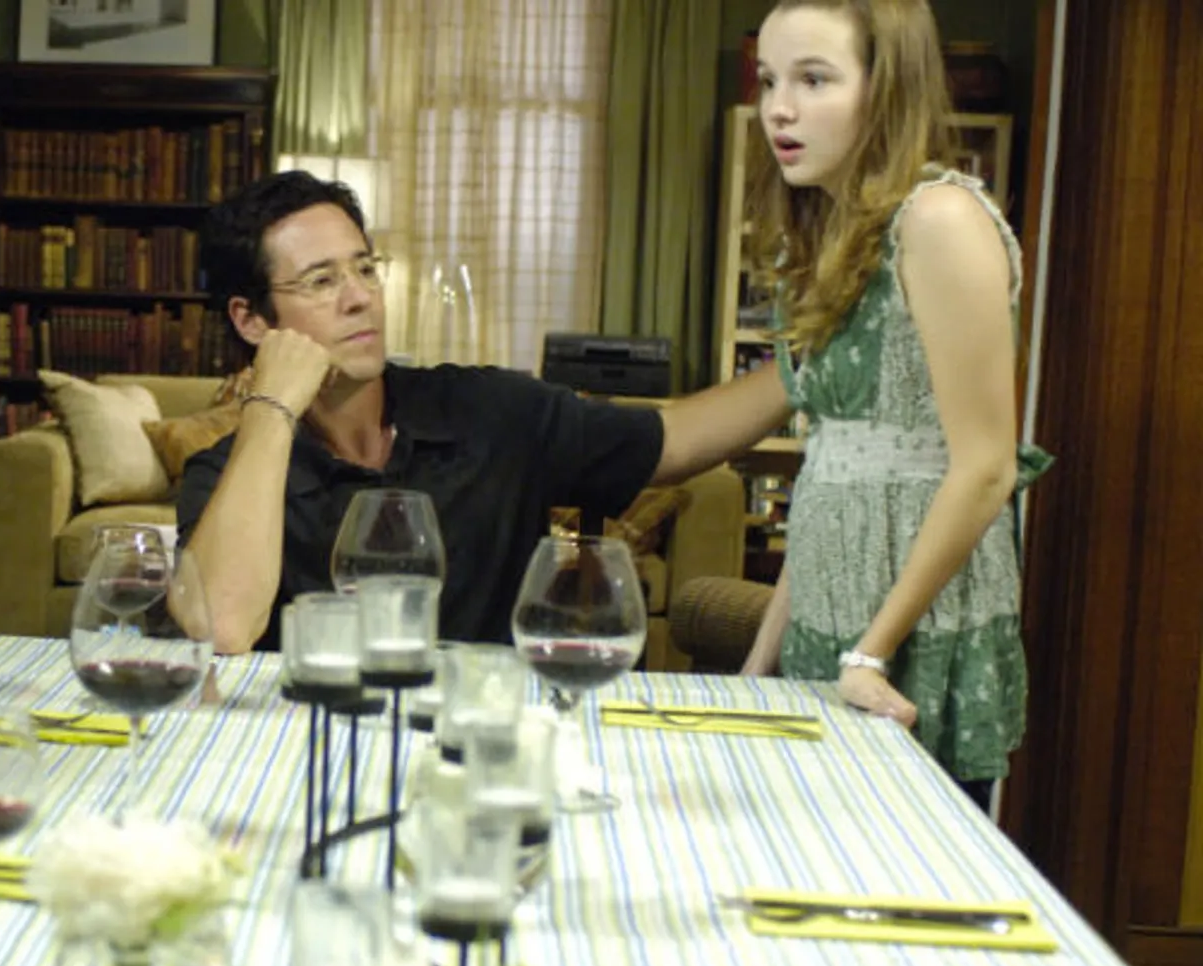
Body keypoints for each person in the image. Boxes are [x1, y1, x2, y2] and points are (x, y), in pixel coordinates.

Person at [176, 170, 794, 654]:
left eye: (364, 268)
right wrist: (271, 407)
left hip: (483, 736)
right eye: (320, 281)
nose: (360, 297)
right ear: (250, 320)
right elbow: (224, 626)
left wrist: (814, 367)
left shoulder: (489, 411)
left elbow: (676, 438)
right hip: (321, 741)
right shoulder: (226, 474)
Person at [737, 0, 1047, 810]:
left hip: (908, 643)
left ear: (888, 89)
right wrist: (759, 665)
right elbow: (837, 475)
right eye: (769, 80)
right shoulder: (829, 235)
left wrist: (870, 655)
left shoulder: (940, 220)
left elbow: (986, 468)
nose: (779, 109)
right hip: (830, 630)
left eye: (814, 79)